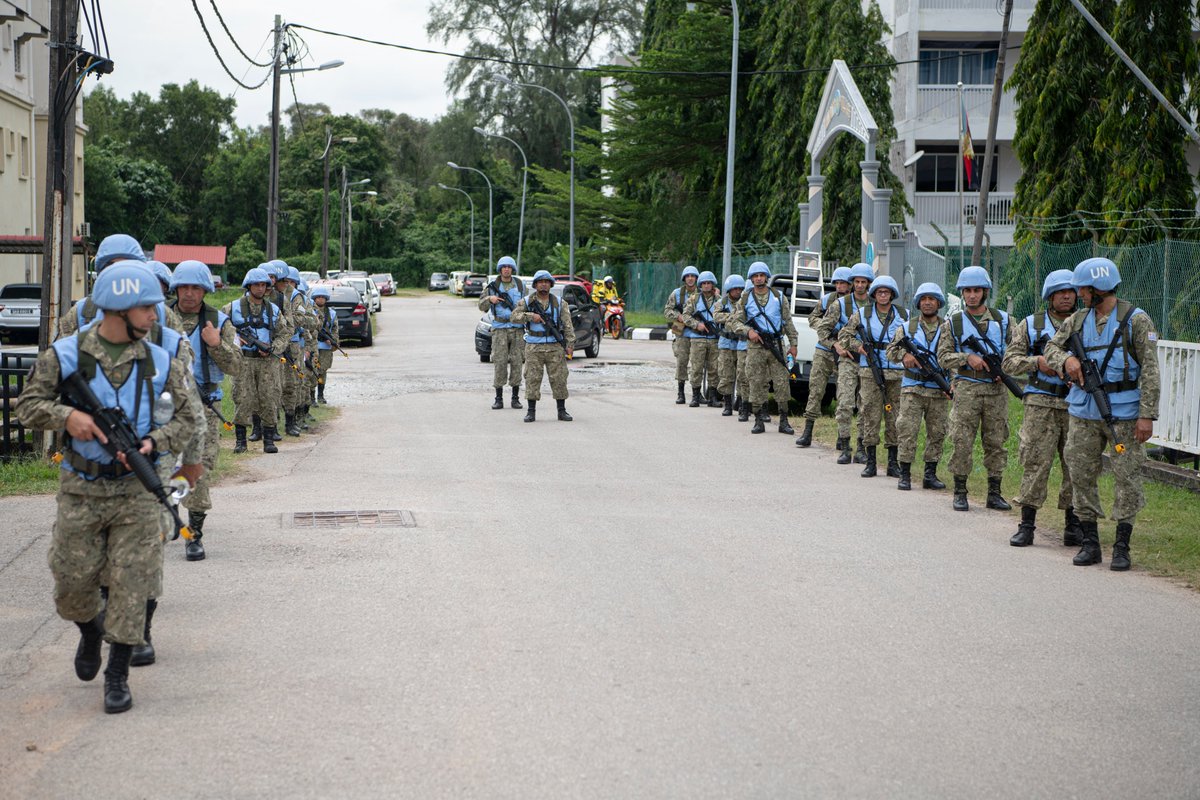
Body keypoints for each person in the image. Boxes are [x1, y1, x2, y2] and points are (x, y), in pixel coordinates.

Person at [17, 261, 201, 714]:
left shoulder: (161, 361)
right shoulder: (63, 356)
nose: (155, 316)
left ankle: (117, 674)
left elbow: (188, 419)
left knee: (132, 583)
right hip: (81, 487)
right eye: (146, 309)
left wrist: (154, 442)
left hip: (137, 491)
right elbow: (28, 406)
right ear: (119, 309)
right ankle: (89, 631)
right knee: (71, 585)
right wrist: (69, 417)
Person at [1044, 258, 1160, 571]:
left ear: (1099, 289)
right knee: (1080, 473)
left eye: (1082, 288)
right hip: (1084, 410)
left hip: (1124, 413)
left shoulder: (1136, 320)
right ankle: (1090, 543)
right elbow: (1050, 349)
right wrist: (1067, 360)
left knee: (1128, 477)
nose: (1078, 294)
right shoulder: (1077, 320)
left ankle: (1122, 547)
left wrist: (1147, 415)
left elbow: (1150, 370)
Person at [1002, 269, 1081, 548]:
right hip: (1040, 403)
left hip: (1077, 404)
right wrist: (1037, 362)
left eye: (1070, 291)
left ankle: (1074, 524)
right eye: (1060, 292)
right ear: (1050, 295)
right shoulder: (1031, 325)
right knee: (1035, 462)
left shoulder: (1085, 323)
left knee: (1076, 464)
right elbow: (1009, 362)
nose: (1066, 296)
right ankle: (1027, 524)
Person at [169, 260, 242, 561]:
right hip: (165, 409)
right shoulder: (157, 318)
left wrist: (215, 345)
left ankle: (194, 535)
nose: (188, 293)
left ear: (205, 290)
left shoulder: (219, 321)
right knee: (159, 467)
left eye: (195, 287)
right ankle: (168, 508)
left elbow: (236, 364)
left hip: (205, 409)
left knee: (198, 471)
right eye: (184, 287)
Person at [936, 265, 1013, 512]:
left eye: (977, 290)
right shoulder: (954, 323)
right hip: (967, 386)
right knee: (962, 440)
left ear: (985, 292)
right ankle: (960, 491)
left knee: (996, 441)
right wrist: (966, 359)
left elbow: (1017, 351)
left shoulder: (1004, 320)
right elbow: (942, 356)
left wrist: (1005, 371)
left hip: (996, 389)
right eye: (967, 290)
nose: (972, 295)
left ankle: (995, 492)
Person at [838, 275, 907, 478]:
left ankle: (893, 461)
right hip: (870, 372)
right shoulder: (862, 314)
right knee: (870, 414)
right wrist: (857, 347)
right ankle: (871, 461)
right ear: (874, 294)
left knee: (895, 416)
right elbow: (844, 335)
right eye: (879, 292)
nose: (883, 295)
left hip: (896, 371)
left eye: (886, 292)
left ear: (892, 294)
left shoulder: (904, 314)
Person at [56, 234, 185, 340]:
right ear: (102, 272)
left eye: (127, 266)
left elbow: (184, 357)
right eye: (112, 267)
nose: (120, 274)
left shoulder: (160, 312)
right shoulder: (83, 310)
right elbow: (61, 356)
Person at [886, 282, 951, 491]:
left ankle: (930, 474)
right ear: (918, 303)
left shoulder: (948, 328)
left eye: (932, 299)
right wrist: (904, 355)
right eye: (923, 299)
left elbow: (954, 359)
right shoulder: (907, 327)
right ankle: (904, 473)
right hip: (912, 388)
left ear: (939, 303)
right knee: (907, 430)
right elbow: (890, 352)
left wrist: (952, 384)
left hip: (938, 389)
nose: (928, 303)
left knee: (937, 432)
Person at [222, 267, 290, 453]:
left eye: (263, 285)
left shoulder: (273, 310)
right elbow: (220, 330)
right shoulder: (232, 307)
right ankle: (241, 441)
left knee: (269, 397)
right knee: (243, 398)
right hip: (243, 360)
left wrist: (272, 349)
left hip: (268, 362)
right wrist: (235, 341)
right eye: (256, 285)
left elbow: (284, 334)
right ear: (248, 286)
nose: (260, 288)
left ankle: (268, 439)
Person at [727, 261, 797, 435]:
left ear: (766, 276)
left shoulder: (779, 297)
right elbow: (733, 321)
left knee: (781, 382)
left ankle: (783, 420)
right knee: (756, 382)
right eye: (755, 276)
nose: (759, 279)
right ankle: (758, 419)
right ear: (751, 279)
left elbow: (788, 322)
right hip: (756, 346)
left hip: (776, 344)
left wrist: (793, 344)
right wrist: (748, 331)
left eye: (761, 275)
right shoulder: (745, 297)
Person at [818, 262, 873, 465]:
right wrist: (836, 346)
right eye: (857, 281)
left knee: (866, 405)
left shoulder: (875, 305)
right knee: (845, 403)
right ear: (852, 283)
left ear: (868, 284)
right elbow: (823, 330)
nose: (859, 285)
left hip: (868, 361)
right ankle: (844, 444)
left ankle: (861, 446)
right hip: (847, 360)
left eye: (863, 282)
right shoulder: (840, 305)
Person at [796, 266, 852, 447]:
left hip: (845, 351)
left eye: (843, 283)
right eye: (837, 283)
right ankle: (808, 431)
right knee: (815, 390)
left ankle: (841, 436)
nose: (840, 286)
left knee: (844, 394)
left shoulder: (856, 303)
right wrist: (827, 326)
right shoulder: (827, 300)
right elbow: (813, 318)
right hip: (825, 349)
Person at [510, 270, 576, 422]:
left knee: (559, 378)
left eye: (547, 282)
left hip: (555, 346)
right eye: (540, 282)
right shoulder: (526, 302)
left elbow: (568, 325)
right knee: (532, 378)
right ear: (535, 285)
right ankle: (531, 412)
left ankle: (562, 410)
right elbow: (514, 317)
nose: (544, 284)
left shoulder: (560, 303)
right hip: (534, 346)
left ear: (551, 285)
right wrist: (530, 316)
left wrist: (570, 344)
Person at [480, 256, 526, 409]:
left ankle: (515, 397)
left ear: (513, 269)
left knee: (517, 361)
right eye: (503, 267)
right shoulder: (492, 286)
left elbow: (527, 304)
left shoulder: (520, 285)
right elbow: (481, 306)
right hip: (499, 328)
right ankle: (498, 398)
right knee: (499, 361)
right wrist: (490, 299)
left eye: (509, 266)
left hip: (517, 329)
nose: (506, 269)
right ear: (500, 269)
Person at [680, 271, 722, 407]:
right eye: (703, 283)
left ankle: (713, 396)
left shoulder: (719, 299)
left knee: (714, 368)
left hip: (714, 338)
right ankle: (695, 395)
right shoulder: (694, 299)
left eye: (708, 283)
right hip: (698, 338)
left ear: (713, 284)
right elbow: (685, 316)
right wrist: (696, 325)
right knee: (696, 368)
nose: (706, 285)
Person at [714, 274, 750, 420]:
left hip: (741, 343)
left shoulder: (745, 302)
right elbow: (716, 316)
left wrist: (730, 317)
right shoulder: (722, 303)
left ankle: (741, 404)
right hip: (726, 344)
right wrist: (731, 317)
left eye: (740, 289)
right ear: (729, 290)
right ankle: (728, 405)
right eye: (735, 289)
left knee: (742, 375)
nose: (737, 291)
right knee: (726, 374)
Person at [664, 266, 700, 404]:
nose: (690, 278)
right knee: (681, 361)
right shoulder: (677, 293)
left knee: (697, 363)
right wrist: (678, 316)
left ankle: (697, 393)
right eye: (688, 276)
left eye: (693, 276)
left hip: (696, 329)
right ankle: (681, 393)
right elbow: (667, 311)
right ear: (684, 278)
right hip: (680, 329)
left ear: (696, 278)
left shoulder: (702, 292)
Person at [310, 286, 340, 405]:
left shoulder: (331, 313)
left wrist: (333, 340)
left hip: (326, 348)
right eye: (318, 297)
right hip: (313, 346)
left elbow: (335, 329)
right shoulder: (311, 312)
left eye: (323, 297)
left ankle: (320, 395)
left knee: (323, 371)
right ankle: (311, 397)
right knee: (312, 371)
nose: (321, 299)